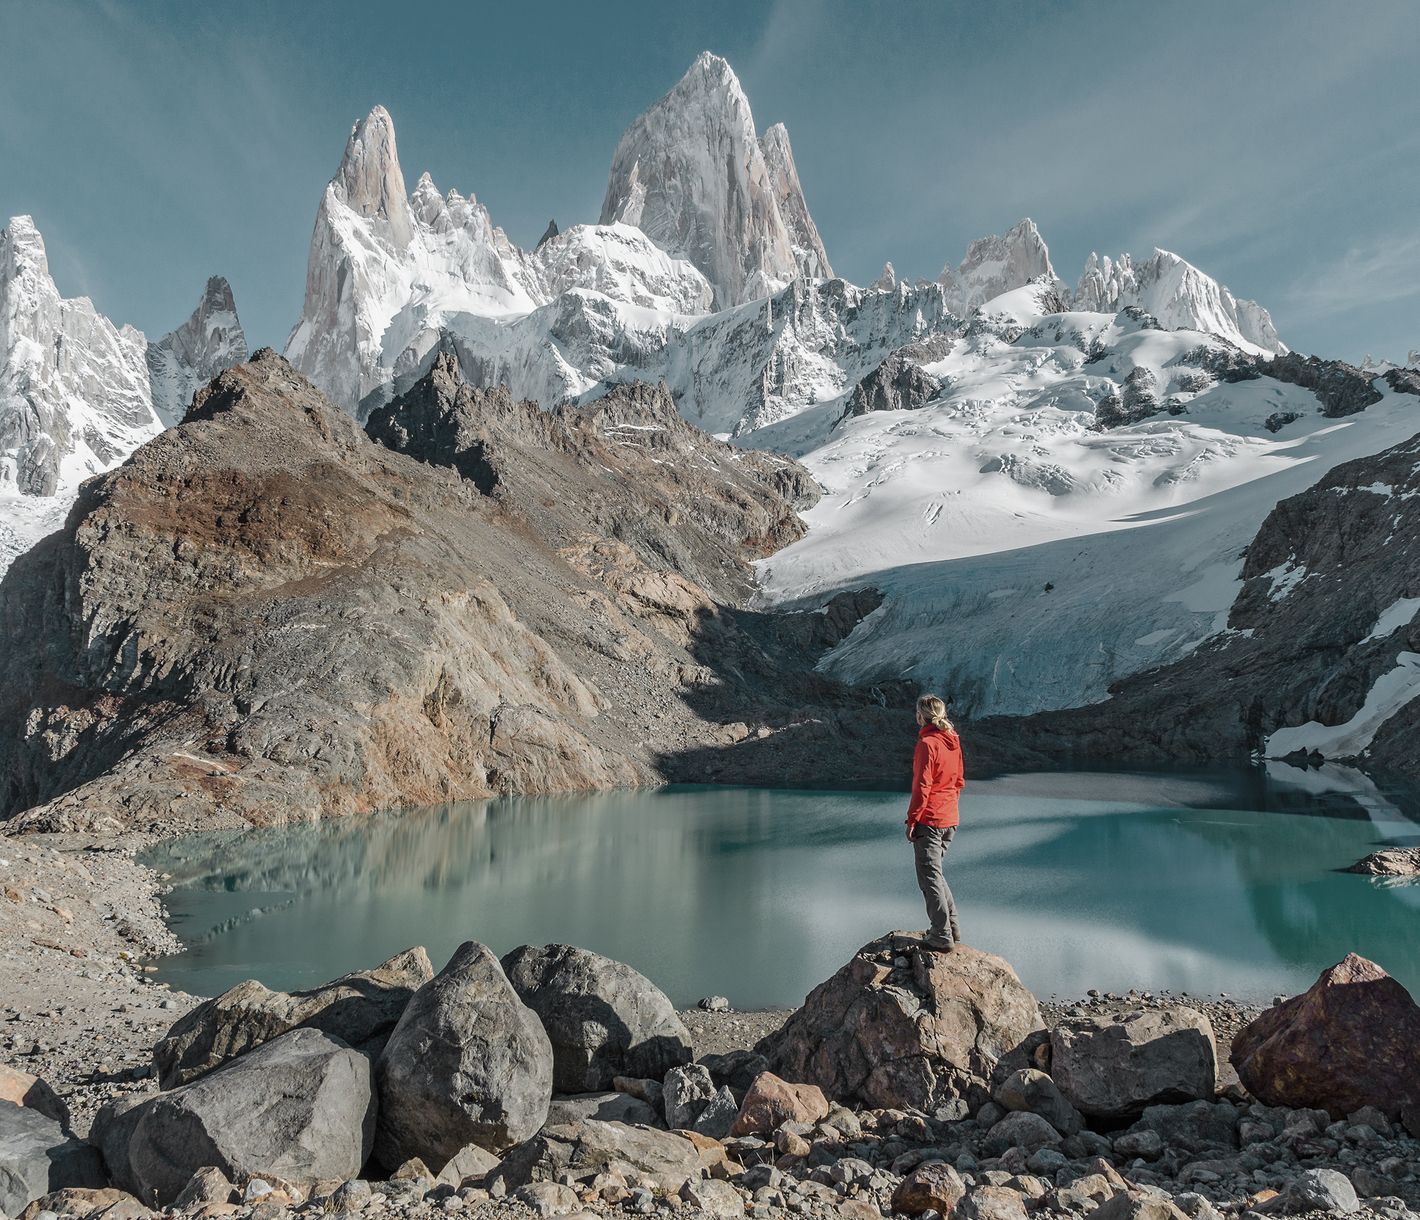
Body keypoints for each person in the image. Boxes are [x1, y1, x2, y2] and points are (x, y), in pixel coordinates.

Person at [905, 693, 965, 951]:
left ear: (921, 716)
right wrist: (949, 806)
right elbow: (959, 780)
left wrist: (912, 819)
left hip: (929, 819)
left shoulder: (927, 743)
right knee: (935, 874)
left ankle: (941, 935)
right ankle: (951, 928)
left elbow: (922, 786)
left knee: (929, 877)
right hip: (949, 817)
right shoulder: (953, 740)